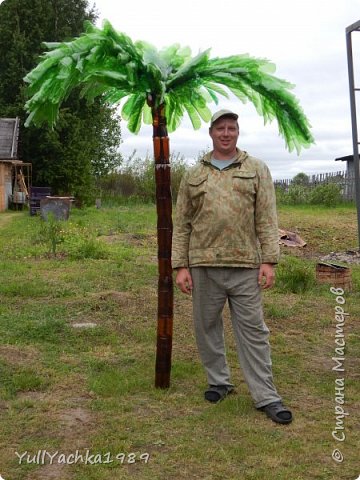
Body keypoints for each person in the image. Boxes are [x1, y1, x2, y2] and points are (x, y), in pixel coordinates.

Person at [171, 109, 292, 424]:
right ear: (211, 133)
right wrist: (180, 266)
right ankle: (219, 382)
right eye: (221, 128)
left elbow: (267, 217)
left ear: (238, 132)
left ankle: (267, 397)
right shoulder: (194, 173)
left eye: (232, 128)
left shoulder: (256, 169)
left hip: (245, 266)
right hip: (203, 266)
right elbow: (181, 223)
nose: (226, 133)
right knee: (206, 328)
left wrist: (269, 260)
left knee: (254, 332)